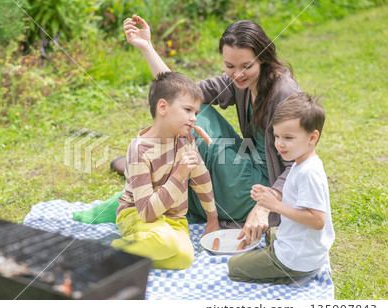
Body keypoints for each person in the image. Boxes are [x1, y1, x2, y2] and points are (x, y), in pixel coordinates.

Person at [115, 15, 304, 244]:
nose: (237, 74)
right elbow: (184, 93)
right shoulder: (241, 81)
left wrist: (265, 205)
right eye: (229, 66)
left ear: (263, 58)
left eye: (246, 66)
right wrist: (147, 48)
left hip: (260, 185)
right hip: (247, 159)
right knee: (194, 108)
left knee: (196, 121)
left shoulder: (285, 94)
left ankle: (148, 167)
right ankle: (147, 167)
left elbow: (299, 164)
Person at [110, 71, 220, 270]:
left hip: (174, 219)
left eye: (195, 112)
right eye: (187, 110)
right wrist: (179, 174)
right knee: (166, 242)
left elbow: (200, 177)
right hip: (137, 215)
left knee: (184, 259)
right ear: (163, 107)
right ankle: (112, 250)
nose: (193, 118)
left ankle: (137, 254)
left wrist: (213, 219)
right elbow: (146, 213)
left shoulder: (185, 138)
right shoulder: (139, 151)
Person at [228, 92, 335, 284]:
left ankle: (291, 277)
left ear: (312, 138)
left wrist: (275, 206)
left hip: (296, 259)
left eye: (288, 137)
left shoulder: (308, 172)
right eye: (276, 136)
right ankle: (289, 265)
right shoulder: (300, 162)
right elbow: (295, 200)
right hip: (305, 247)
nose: (279, 144)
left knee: (234, 267)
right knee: (269, 233)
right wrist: (267, 194)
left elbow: (318, 220)